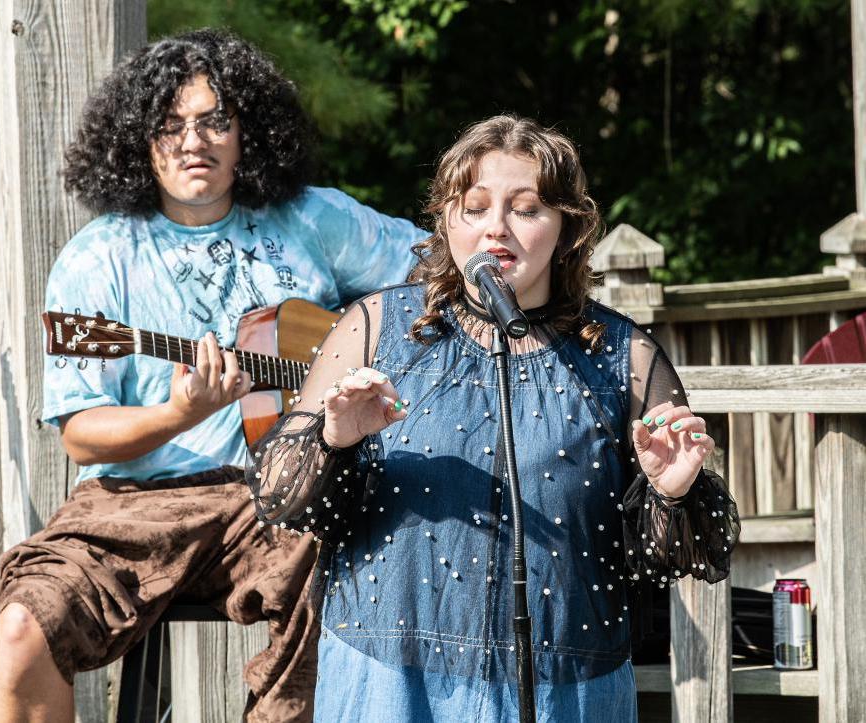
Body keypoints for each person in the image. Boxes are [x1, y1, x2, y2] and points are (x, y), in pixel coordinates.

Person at [0, 29, 426, 723]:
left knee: (348, 571)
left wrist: (358, 347)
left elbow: (435, 269)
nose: (194, 140)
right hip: (130, 501)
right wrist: (176, 416)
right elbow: (81, 435)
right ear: (139, 140)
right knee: (23, 626)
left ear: (249, 130)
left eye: (215, 119)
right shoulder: (98, 257)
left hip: (281, 489)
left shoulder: (309, 218)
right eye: (170, 125)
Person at [248, 114, 741, 721]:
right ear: (445, 220)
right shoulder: (375, 326)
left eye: (526, 209)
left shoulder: (623, 355)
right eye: (474, 207)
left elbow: (684, 559)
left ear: (567, 229)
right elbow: (283, 501)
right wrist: (333, 440)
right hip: (389, 678)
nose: (495, 230)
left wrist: (672, 494)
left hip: (565, 681)